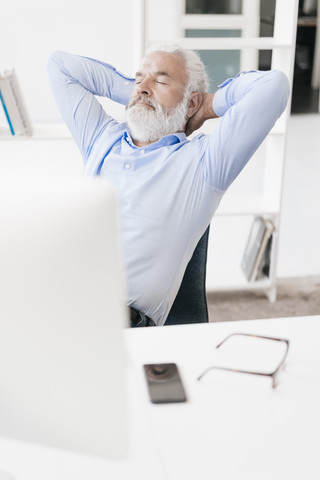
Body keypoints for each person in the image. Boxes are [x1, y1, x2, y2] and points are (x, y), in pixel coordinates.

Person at [47, 45, 289, 327]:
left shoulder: (204, 162)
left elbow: (274, 87)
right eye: (139, 79)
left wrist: (207, 105)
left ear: (190, 103)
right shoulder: (101, 137)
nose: (144, 87)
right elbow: (59, 65)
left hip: (119, 324)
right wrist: (139, 93)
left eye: (161, 80)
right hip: (62, 301)